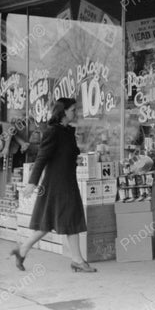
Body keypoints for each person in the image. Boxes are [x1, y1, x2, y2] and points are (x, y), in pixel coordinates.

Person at [10, 98, 97, 273]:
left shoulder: (67, 131)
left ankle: (22, 249)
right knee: (69, 217)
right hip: (58, 184)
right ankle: (77, 260)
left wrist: (75, 157)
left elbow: (66, 154)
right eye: (73, 109)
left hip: (67, 181)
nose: (75, 112)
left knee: (50, 221)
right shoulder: (53, 132)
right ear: (63, 111)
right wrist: (32, 182)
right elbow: (42, 157)